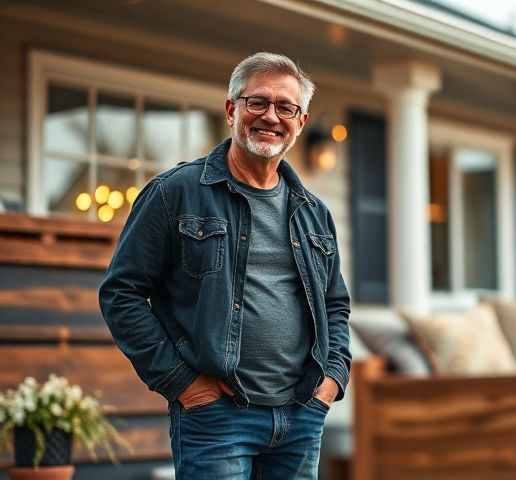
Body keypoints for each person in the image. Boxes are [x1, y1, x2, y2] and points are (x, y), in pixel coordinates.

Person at [99, 52, 351, 479]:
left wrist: (332, 380)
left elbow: (335, 304)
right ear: (232, 109)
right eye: (258, 102)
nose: (271, 116)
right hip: (217, 418)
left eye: (285, 107)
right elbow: (121, 293)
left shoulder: (314, 212)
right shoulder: (175, 192)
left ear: (301, 122)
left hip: (301, 417)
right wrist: (181, 382)